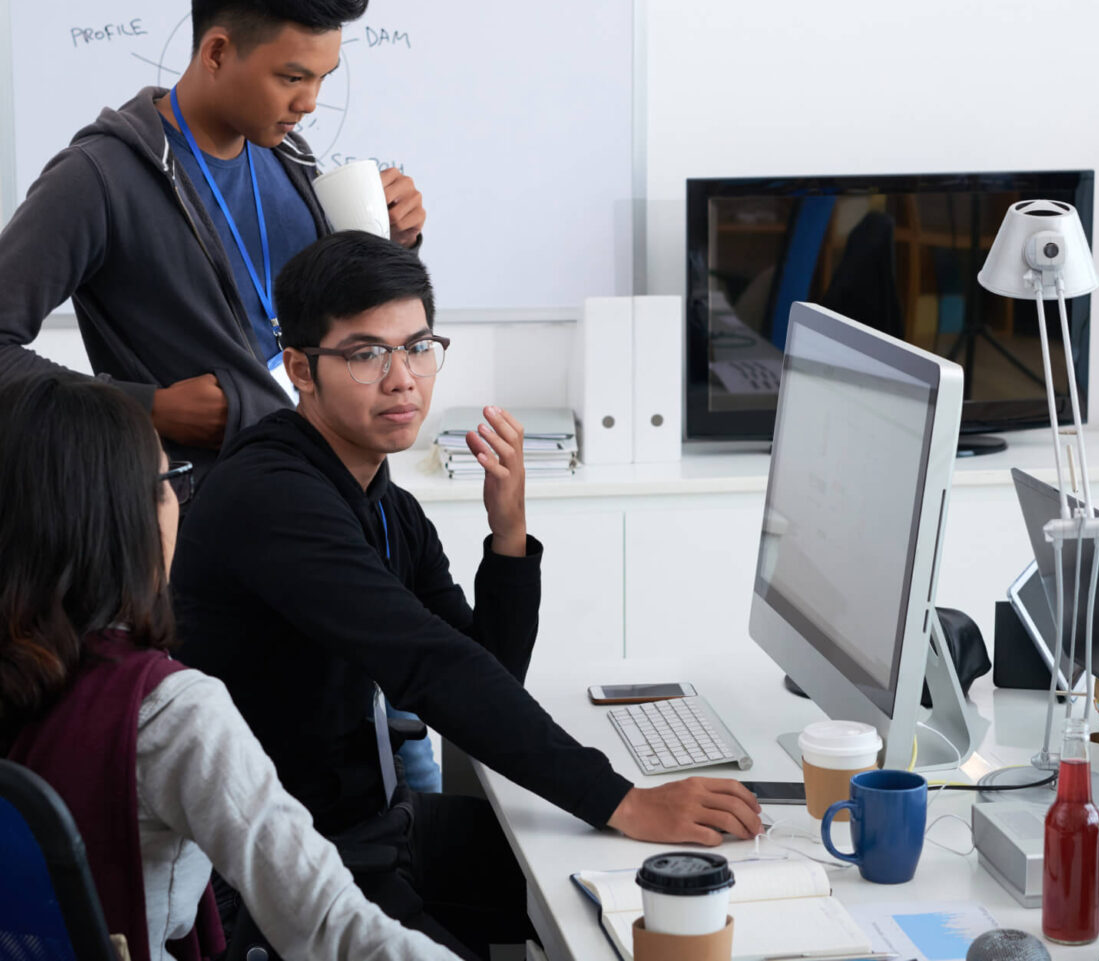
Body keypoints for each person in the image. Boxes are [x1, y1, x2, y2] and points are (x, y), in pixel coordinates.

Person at [169, 231, 763, 960]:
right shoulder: (273, 498)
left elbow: (485, 667)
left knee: (629, 884)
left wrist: (508, 532)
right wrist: (622, 799)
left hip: (373, 832)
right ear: (300, 369)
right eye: (366, 354)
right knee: (594, 895)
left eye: (418, 347)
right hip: (280, 872)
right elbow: (432, 668)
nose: (402, 380)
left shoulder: (382, 501)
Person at [0, 376, 459, 961]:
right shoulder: (168, 711)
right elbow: (325, 924)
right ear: (123, 516)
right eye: (170, 483)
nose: (178, 506)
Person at [0, 0, 426, 483]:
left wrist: (395, 245)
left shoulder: (292, 160)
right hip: (201, 516)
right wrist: (146, 407)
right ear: (216, 53)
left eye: (322, 78)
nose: (309, 102)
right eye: (292, 77)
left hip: (322, 488)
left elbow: (338, 328)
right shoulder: (98, 177)